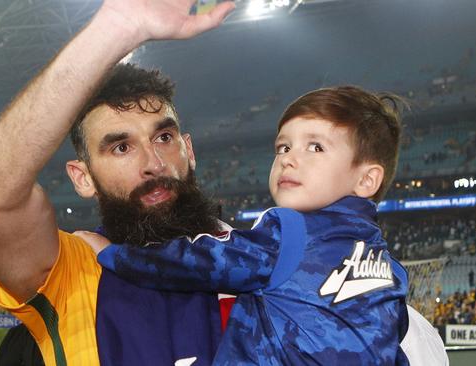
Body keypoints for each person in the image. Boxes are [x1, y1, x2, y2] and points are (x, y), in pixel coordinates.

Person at [0, 1, 236, 365]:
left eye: (164, 138)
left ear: (189, 149)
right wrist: (118, 28)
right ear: (83, 177)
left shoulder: (255, 259)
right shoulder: (71, 272)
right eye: (121, 147)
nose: (153, 163)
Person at [93, 87, 418, 364]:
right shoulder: (390, 271)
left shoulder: (290, 233)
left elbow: (200, 261)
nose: (289, 159)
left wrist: (115, 255)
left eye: (315, 147)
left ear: (367, 179)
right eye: (283, 147)